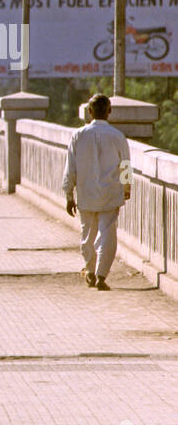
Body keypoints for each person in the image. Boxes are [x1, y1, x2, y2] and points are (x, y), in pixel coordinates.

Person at [64, 93, 131, 291]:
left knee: (88, 235)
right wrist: (126, 189)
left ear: (90, 112)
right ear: (109, 111)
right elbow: (125, 166)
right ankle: (102, 275)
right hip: (110, 193)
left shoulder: (78, 135)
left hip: (86, 193)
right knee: (107, 235)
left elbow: (71, 168)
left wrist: (69, 195)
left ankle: (90, 270)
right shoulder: (118, 136)